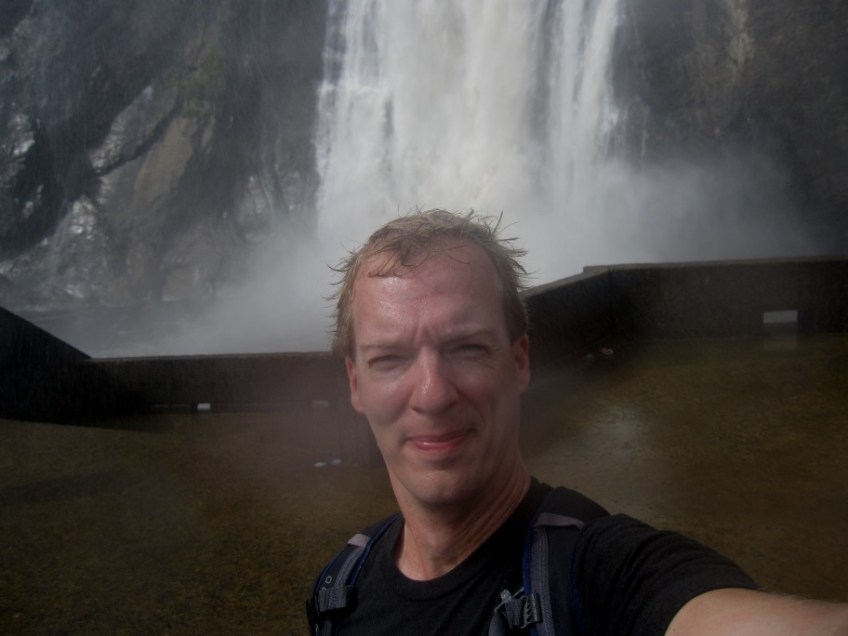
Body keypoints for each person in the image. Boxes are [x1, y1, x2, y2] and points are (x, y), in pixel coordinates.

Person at [309, 209, 848, 635]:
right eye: (390, 359)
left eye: (468, 348)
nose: (432, 395)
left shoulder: (597, 574)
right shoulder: (339, 591)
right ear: (355, 383)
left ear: (520, 361)